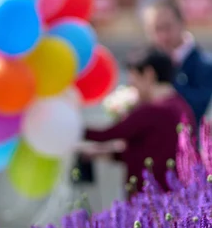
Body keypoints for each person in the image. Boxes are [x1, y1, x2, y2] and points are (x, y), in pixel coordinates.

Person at [84, 47, 196, 193]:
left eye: (134, 76)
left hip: (150, 199)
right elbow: (147, 149)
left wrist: (76, 129)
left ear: (149, 74)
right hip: (177, 194)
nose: (131, 84)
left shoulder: (153, 110)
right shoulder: (182, 106)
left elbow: (106, 134)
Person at [142, 0, 212, 126]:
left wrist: (170, 91)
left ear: (182, 23)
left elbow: (197, 108)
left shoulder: (204, 64)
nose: (163, 36)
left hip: (185, 143)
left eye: (167, 27)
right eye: (156, 29)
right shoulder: (145, 60)